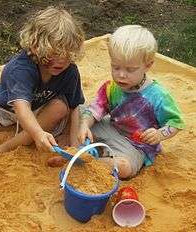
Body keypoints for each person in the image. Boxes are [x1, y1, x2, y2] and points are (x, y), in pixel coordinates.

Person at [0, 6, 85, 154]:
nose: (61, 61)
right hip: (8, 108)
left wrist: (74, 144)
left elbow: (74, 106)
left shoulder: (70, 71)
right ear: (36, 47)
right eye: (54, 53)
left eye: (67, 54)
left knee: (60, 107)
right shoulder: (20, 68)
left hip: (40, 110)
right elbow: (21, 108)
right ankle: (16, 140)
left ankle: (16, 140)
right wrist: (38, 133)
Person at [78, 25, 185, 179]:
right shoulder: (111, 87)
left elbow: (176, 123)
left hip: (136, 145)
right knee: (78, 111)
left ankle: (87, 160)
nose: (121, 75)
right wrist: (84, 125)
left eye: (130, 70)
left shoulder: (158, 95)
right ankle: (80, 148)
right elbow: (96, 108)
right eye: (115, 67)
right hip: (111, 128)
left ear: (147, 66)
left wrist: (159, 134)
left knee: (124, 168)